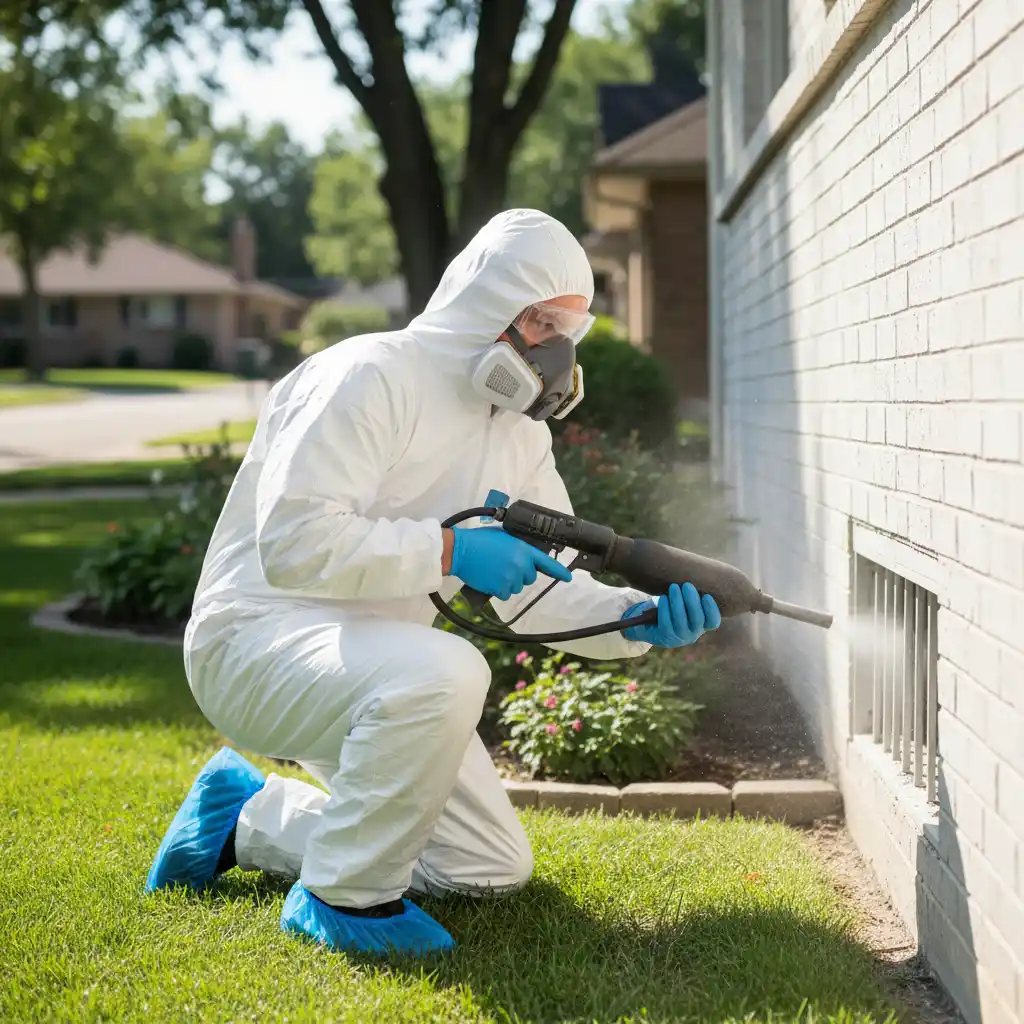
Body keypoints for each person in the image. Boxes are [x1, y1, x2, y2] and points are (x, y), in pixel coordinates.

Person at [144, 208, 721, 957]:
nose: (555, 351)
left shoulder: (519, 434)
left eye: (567, 331)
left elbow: (542, 587)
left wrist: (631, 620)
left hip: (379, 672)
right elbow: (292, 542)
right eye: (542, 321)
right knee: (451, 667)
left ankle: (243, 816)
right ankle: (343, 898)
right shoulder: (367, 375)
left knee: (486, 867)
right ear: (488, 303)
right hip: (257, 643)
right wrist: (449, 550)